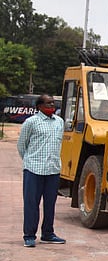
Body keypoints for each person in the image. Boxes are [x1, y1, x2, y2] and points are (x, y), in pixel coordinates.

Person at [17, 94, 65, 247]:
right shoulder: (31, 122)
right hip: (34, 170)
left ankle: (48, 234)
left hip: (53, 170)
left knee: (50, 204)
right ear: (39, 106)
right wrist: (30, 161)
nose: (52, 106)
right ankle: (29, 235)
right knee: (32, 204)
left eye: (53, 103)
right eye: (48, 103)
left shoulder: (59, 122)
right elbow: (21, 145)